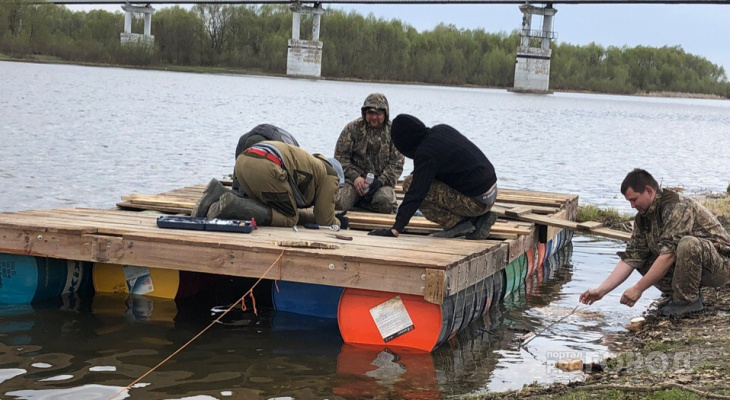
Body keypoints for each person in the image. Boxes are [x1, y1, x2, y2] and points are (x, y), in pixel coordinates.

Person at [579, 169, 730, 316]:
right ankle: (677, 295)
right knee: (643, 257)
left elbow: (669, 254)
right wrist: (601, 291)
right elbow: (632, 258)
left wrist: (638, 288)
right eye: (629, 201)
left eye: (634, 199)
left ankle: (687, 301)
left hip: (720, 266)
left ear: (649, 191)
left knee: (687, 244)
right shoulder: (643, 217)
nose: (632, 206)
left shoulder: (676, 206)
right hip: (696, 267)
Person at [368, 114, 498, 240]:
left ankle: (457, 223)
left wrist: (395, 229)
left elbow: (416, 193)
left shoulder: (426, 154)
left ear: (404, 142)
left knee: (409, 184)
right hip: (491, 192)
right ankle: (477, 219)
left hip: (477, 202)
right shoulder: (441, 129)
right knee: (420, 180)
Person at [206, 141, 347, 229]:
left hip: (244, 160)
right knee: (290, 219)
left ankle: (216, 193)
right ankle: (233, 206)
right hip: (267, 165)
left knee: (262, 205)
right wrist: (339, 222)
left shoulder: (311, 164)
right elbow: (325, 220)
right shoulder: (330, 175)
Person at [191, 124, 299, 218]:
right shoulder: (289, 154)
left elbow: (239, 174)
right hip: (269, 154)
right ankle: (224, 197)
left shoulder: (244, 142)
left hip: (260, 149)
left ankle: (216, 191)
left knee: (246, 194)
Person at [334, 93, 404, 214]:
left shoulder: (394, 131)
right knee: (338, 202)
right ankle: (357, 201)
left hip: (380, 184)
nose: (374, 117)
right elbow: (340, 158)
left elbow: (397, 164)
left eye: (378, 114)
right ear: (365, 113)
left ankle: (360, 204)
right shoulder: (352, 128)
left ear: (385, 114)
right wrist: (355, 178)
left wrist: (380, 181)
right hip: (353, 182)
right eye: (370, 113)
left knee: (386, 203)